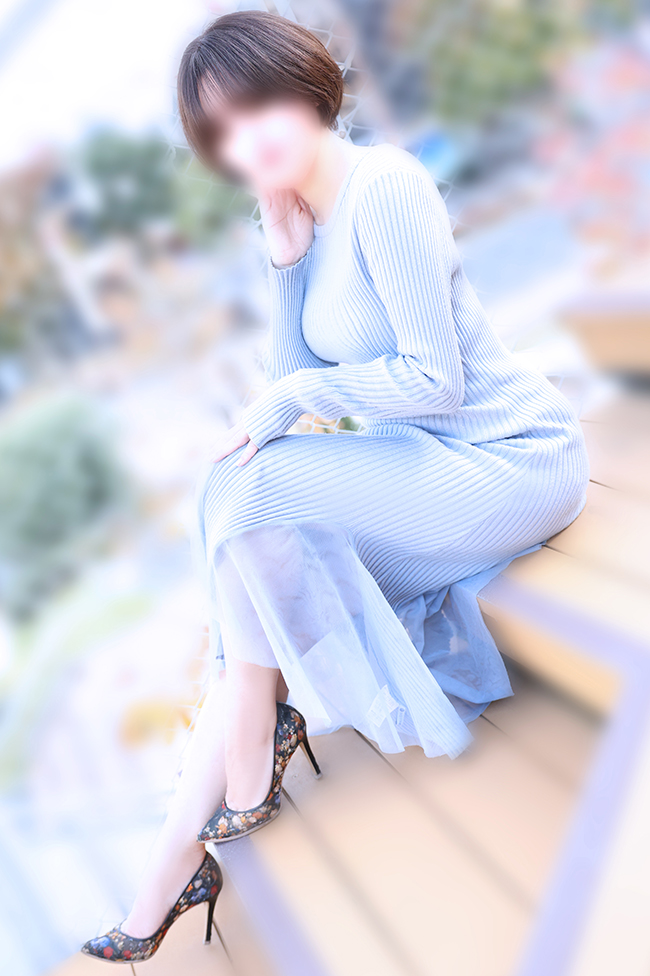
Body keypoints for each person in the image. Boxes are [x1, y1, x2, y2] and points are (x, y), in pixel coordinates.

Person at [82, 10, 590, 963]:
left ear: (305, 83)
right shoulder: (307, 219)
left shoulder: (384, 184)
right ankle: (173, 869)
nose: (249, 139)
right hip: (425, 473)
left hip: (509, 457)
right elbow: (296, 385)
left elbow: (430, 381)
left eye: (258, 105)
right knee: (239, 499)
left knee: (253, 494)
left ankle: (244, 764)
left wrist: (290, 400)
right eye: (223, 132)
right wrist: (285, 262)